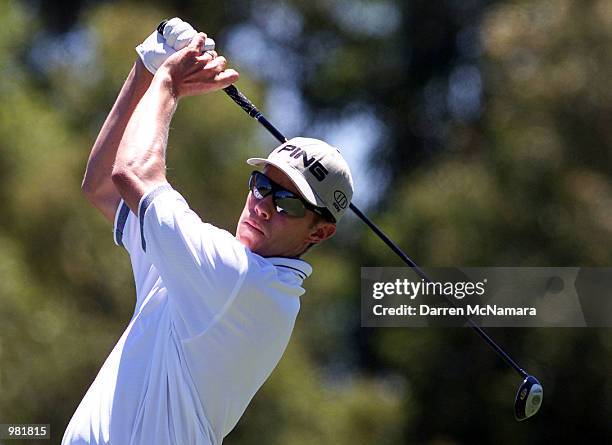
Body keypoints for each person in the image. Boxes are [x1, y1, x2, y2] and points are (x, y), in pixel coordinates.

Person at [62, 18, 354, 445]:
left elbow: (131, 174)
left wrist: (167, 82)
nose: (264, 205)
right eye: (263, 184)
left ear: (320, 232)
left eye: (288, 202)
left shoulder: (243, 281)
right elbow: (103, 186)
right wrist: (147, 64)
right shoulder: (199, 267)